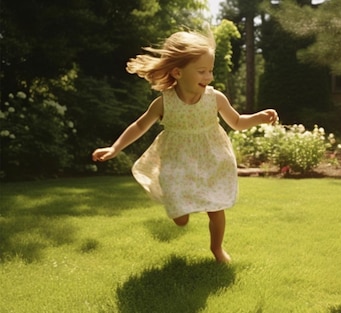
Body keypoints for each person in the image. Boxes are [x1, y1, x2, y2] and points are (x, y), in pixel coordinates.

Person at [92, 30, 278, 263]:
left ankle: (217, 249)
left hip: (211, 159)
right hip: (177, 161)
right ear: (177, 72)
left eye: (210, 70)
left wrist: (259, 117)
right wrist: (115, 148)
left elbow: (237, 122)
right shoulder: (164, 102)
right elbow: (139, 126)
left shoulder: (215, 98)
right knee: (180, 218)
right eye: (201, 71)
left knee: (216, 208)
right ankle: (182, 209)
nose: (208, 76)